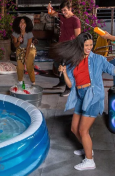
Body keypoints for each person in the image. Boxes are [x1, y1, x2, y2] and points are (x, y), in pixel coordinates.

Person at [49, 32, 115, 171]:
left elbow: (112, 70)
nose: (89, 47)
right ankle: (88, 149)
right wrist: (65, 72)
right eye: (86, 45)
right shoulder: (74, 61)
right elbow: (70, 85)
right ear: (80, 45)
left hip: (93, 96)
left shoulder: (98, 59)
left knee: (83, 130)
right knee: (74, 129)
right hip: (80, 95)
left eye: (91, 45)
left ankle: (89, 161)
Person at [48, 0, 81, 97]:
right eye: (62, 10)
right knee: (57, 63)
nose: (64, 12)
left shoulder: (75, 20)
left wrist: (76, 50)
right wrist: (49, 8)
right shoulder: (62, 16)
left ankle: (69, 88)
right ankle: (62, 81)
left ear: (70, 9)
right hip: (61, 45)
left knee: (66, 68)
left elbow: (78, 36)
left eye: (65, 10)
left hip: (70, 46)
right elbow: (52, 13)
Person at [12, 16, 36, 85]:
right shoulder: (15, 33)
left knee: (28, 65)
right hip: (20, 49)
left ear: (27, 24)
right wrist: (19, 41)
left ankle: (33, 82)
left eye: (24, 22)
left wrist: (25, 57)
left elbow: (28, 46)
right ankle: (20, 82)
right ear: (18, 24)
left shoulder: (29, 33)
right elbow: (15, 45)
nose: (22, 24)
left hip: (30, 48)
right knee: (19, 66)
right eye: (21, 22)